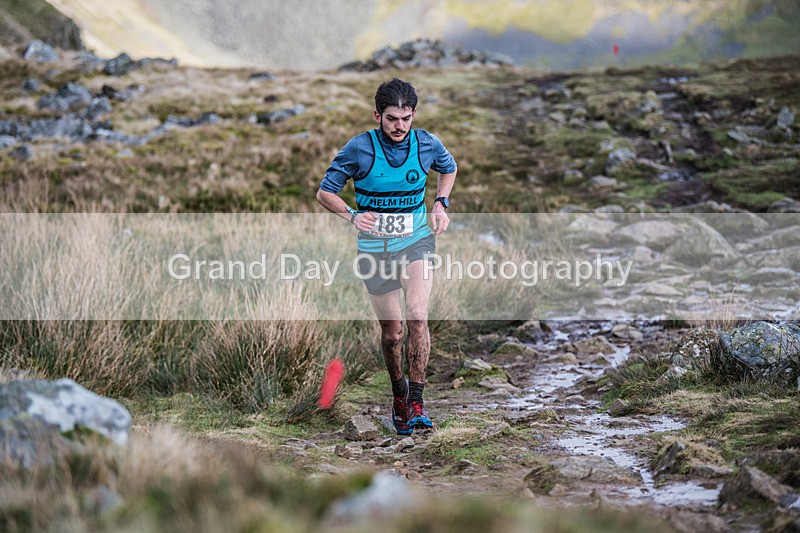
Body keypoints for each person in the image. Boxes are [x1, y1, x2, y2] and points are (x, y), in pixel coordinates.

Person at [316, 78, 457, 435]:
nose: (399, 126)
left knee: (417, 317)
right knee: (393, 333)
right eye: (392, 118)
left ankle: (417, 403)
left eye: (406, 118)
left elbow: (448, 168)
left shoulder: (426, 143)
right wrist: (351, 215)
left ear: (413, 116)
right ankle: (398, 396)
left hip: (416, 242)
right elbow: (324, 192)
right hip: (374, 249)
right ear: (378, 115)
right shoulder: (359, 149)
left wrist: (440, 203)